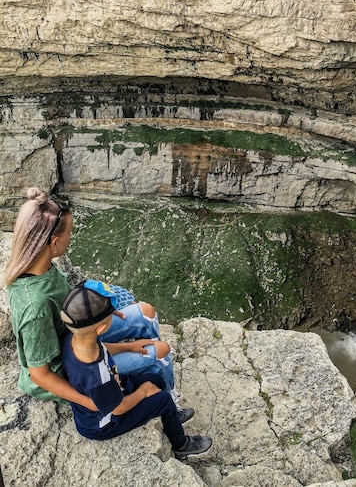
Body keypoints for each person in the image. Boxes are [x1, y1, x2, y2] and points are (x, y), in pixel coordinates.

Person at [4, 188, 185, 413]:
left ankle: (145, 374)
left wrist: (102, 309)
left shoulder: (40, 266)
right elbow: (40, 374)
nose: (72, 236)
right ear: (54, 243)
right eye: (70, 232)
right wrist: (91, 402)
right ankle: (168, 404)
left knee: (145, 314)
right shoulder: (35, 307)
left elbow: (69, 297)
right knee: (160, 355)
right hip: (73, 367)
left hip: (80, 331)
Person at [60, 281, 212, 459]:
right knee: (162, 399)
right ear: (101, 328)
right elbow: (117, 409)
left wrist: (130, 347)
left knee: (156, 380)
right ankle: (182, 444)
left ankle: (169, 415)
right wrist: (142, 392)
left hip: (110, 393)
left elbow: (101, 347)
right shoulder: (96, 374)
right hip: (103, 423)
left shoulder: (76, 339)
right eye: (110, 316)